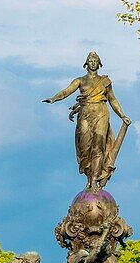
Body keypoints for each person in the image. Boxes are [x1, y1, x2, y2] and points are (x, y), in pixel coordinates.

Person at [43, 51, 132, 191]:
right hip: (85, 113)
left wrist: (122, 115)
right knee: (84, 147)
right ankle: (88, 174)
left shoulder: (105, 82)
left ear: (99, 64)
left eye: (95, 60)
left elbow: (112, 100)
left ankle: (94, 180)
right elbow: (67, 91)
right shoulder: (80, 80)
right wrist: (54, 98)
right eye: (90, 60)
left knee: (98, 147)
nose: (93, 62)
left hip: (101, 113)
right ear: (86, 64)